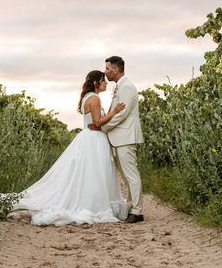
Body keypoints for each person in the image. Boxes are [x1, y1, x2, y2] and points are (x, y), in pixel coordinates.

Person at [7, 70, 129, 225]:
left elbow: (93, 123)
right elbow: (97, 122)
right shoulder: (95, 98)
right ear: (95, 83)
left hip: (87, 137)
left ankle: (89, 199)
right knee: (95, 172)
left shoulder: (86, 98)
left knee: (88, 173)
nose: (106, 83)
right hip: (94, 140)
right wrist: (115, 112)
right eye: (103, 80)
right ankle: (93, 204)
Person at [92, 55, 144, 223]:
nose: (105, 72)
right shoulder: (119, 87)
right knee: (126, 175)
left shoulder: (127, 87)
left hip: (126, 136)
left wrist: (103, 126)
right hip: (120, 137)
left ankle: (137, 211)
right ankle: (130, 207)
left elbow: (121, 114)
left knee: (131, 175)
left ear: (115, 70)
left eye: (107, 69)